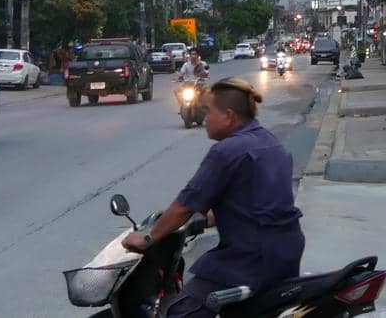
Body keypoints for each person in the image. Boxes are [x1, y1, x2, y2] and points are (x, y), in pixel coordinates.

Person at [122, 76, 304, 317]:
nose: (204, 119)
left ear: (228, 116)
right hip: (286, 252)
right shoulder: (271, 144)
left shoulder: (227, 151)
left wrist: (148, 237)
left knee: (179, 312)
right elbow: (257, 202)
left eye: (208, 112)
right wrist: (208, 219)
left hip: (250, 259)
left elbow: (184, 206)